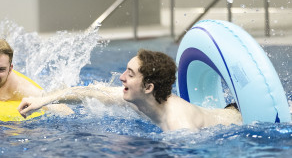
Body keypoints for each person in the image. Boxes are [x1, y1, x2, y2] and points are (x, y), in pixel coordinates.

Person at [18, 49, 242, 132]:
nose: (121, 77)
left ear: (148, 87)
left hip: (239, 119)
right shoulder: (139, 99)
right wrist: (44, 100)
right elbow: (89, 92)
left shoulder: (178, 124)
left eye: (130, 74)